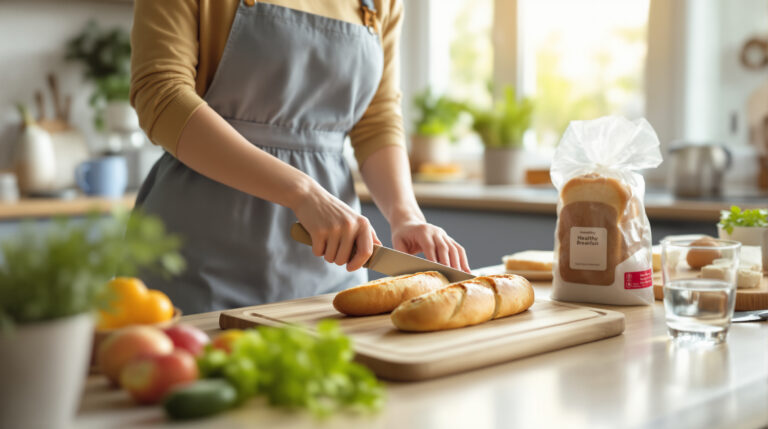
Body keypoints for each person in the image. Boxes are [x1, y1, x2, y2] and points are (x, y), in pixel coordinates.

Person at [130, 0, 470, 314]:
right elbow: (162, 95)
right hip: (196, 256)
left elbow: (376, 118)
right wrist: (303, 192)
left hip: (330, 266)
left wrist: (406, 215)